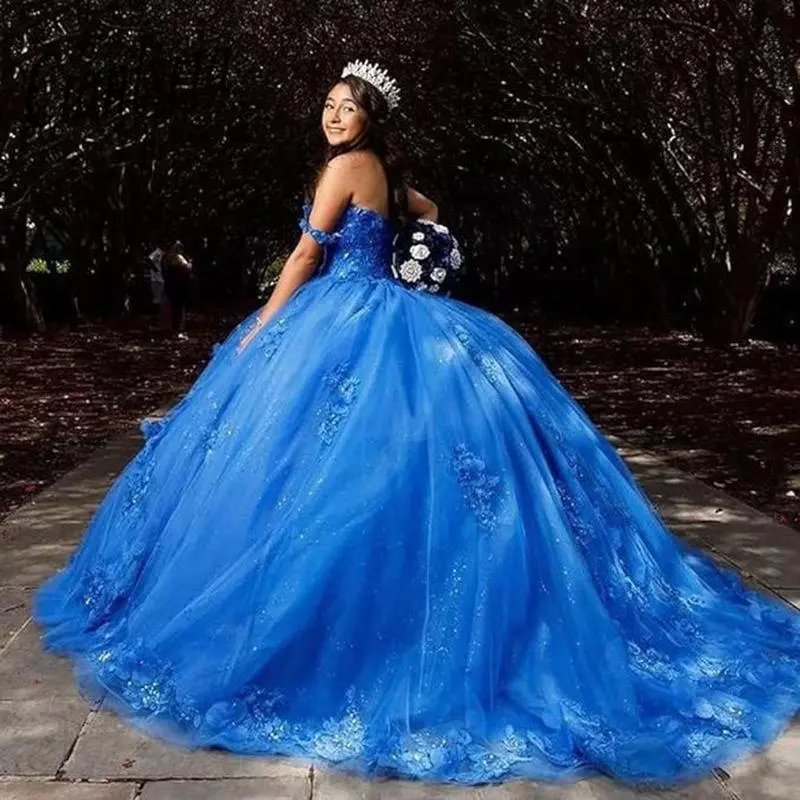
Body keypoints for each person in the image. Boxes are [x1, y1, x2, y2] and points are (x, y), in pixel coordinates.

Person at [35, 60, 800, 787]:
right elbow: (429, 215)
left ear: (370, 117)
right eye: (328, 105)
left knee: (304, 463)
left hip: (338, 312)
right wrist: (412, 264)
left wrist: (263, 329)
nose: (333, 115)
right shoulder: (391, 176)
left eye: (347, 107)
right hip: (396, 311)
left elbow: (303, 257)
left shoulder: (343, 169)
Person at [162, 240, 193, 339]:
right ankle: (177, 330)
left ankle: (170, 328)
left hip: (170, 285)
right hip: (179, 286)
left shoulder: (166, 257)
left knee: (172, 308)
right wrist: (190, 262)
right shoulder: (179, 257)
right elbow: (187, 268)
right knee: (178, 309)